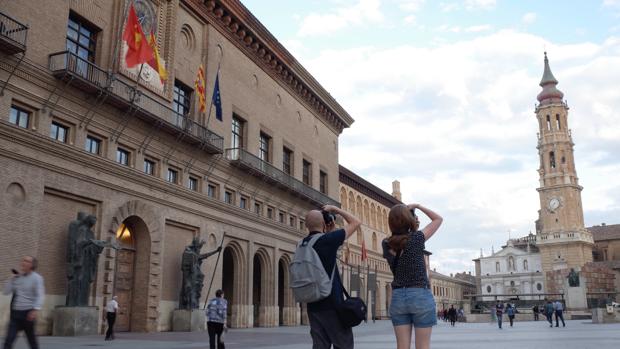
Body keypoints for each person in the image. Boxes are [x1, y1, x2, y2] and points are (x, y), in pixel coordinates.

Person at [382, 203, 443, 349]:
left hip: (397, 297)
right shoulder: (417, 238)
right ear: (409, 220)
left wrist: (411, 225)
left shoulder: (386, 243)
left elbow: (400, 240)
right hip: (419, 295)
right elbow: (438, 219)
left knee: (402, 346)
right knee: (423, 346)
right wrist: (419, 206)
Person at [304, 205, 361, 349]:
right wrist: (336, 209)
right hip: (332, 305)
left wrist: (328, 233)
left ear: (306, 225)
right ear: (324, 223)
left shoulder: (302, 244)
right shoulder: (328, 241)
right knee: (344, 344)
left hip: (313, 307)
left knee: (320, 346)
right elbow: (356, 222)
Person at [3, 256, 45, 349]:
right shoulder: (18, 278)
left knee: (32, 341)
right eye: (23, 260)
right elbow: (6, 292)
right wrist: (11, 280)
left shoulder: (37, 278)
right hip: (15, 314)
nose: (23, 262)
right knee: (8, 340)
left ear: (32, 265)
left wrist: (34, 310)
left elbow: (40, 295)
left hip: (28, 314)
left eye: (26, 261)